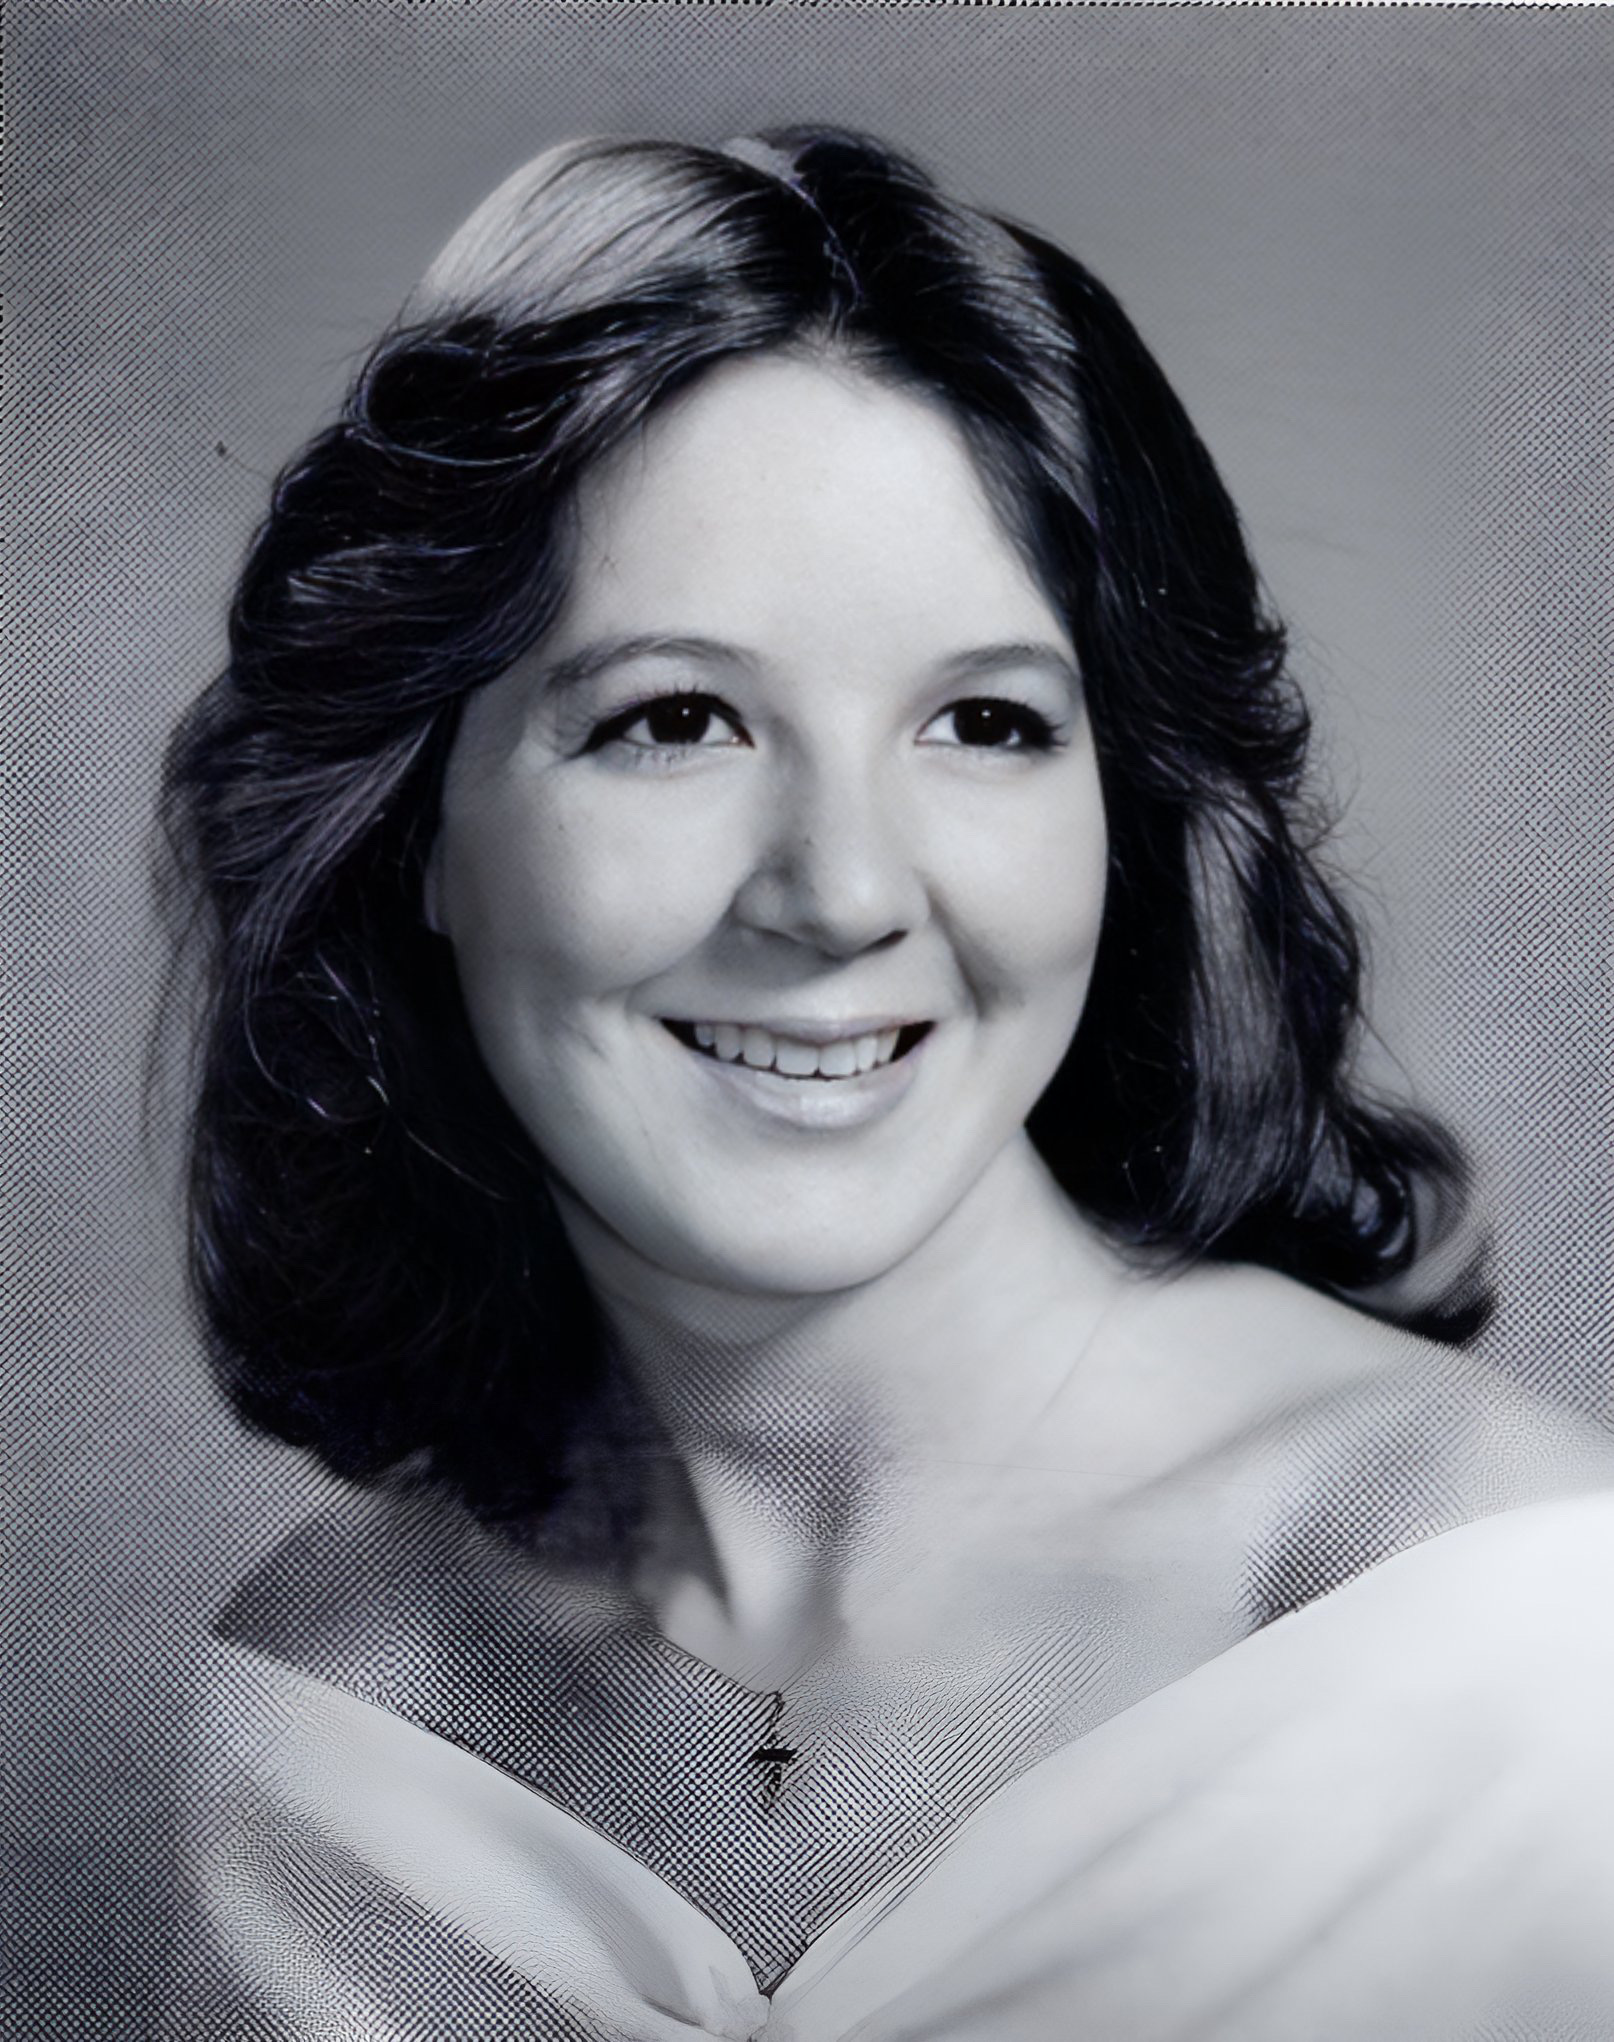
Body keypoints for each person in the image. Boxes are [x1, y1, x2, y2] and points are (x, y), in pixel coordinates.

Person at [161, 129, 1614, 2040]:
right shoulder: (337, 1709)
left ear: (1126, 813)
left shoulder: (1516, 1630)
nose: (841, 892)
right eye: (675, 719)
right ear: (411, 819)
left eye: (984, 722)